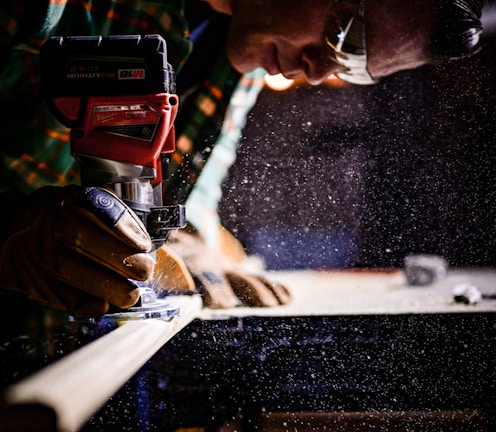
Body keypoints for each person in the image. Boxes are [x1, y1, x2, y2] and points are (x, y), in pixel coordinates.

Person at [0, 0, 486, 318]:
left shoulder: (247, 58)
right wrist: (7, 233)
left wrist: (194, 247)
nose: (318, 72)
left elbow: (194, 196)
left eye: (354, 68)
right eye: (347, 36)